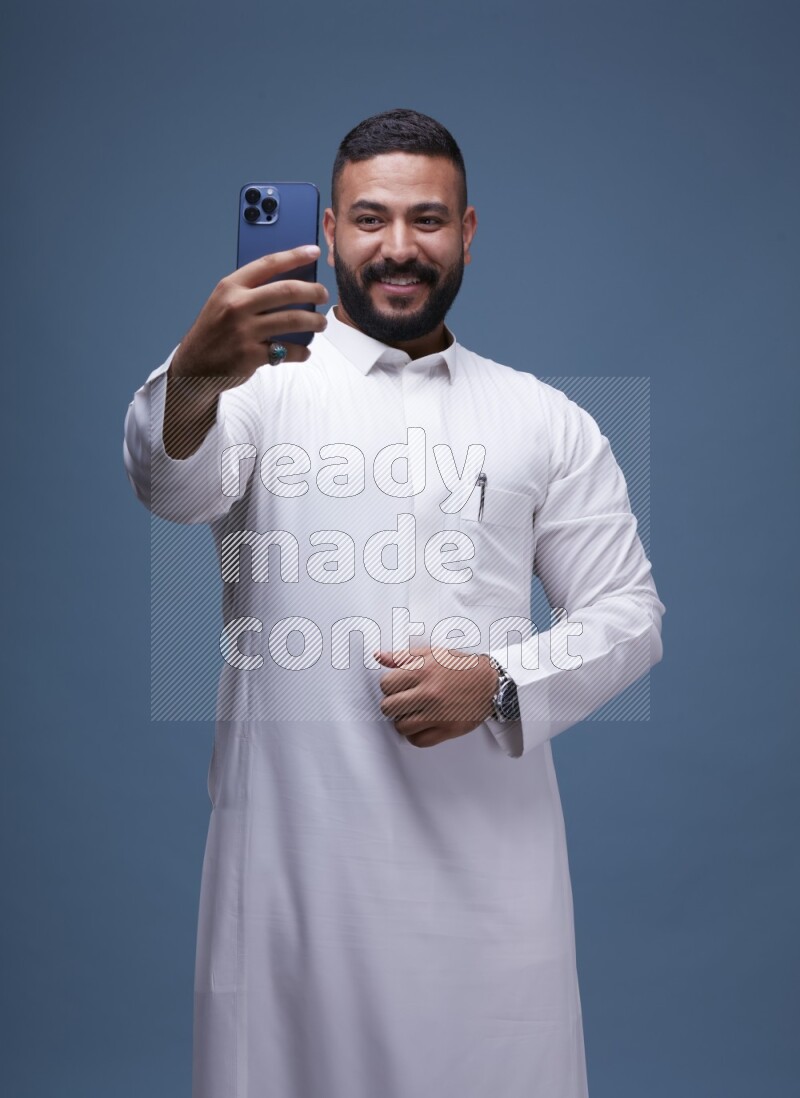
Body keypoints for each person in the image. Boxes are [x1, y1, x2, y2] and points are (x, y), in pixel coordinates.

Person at [123, 108, 664, 1098]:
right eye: (370, 219)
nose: (398, 247)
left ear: (467, 233)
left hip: (487, 882)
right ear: (326, 233)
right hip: (291, 873)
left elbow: (628, 614)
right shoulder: (253, 386)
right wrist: (195, 373)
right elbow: (172, 485)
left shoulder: (543, 418)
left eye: (427, 219)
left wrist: (502, 682)